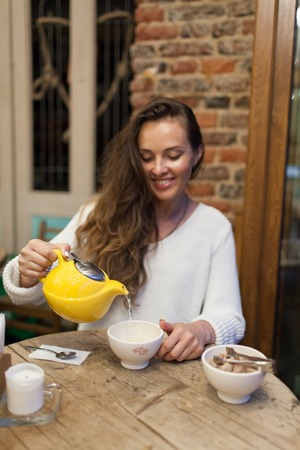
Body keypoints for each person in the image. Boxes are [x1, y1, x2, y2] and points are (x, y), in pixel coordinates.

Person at [3, 97, 245, 362]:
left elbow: (229, 316)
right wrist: (28, 271)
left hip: (168, 374)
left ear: (197, 153)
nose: (159, 168)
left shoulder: (214, 227)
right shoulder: (101, 212)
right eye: (146, 157)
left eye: (173, 155)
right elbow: (38, 291)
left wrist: (202, 329)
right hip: (95, 366)